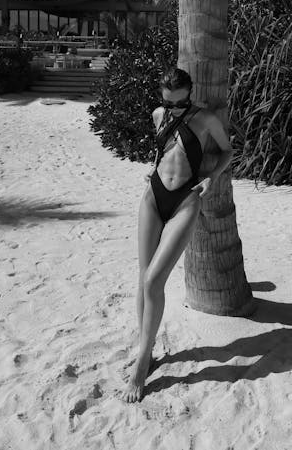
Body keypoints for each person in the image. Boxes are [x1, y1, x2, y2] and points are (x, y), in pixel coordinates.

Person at [121, 66, 233, 402]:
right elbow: (163, 150)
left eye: (178, 104)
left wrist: (212, 177)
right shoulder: (158, 114)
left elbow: (227, 150)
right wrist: (152, 169)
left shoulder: (207, 118)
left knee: (154, 280)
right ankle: (147, 349)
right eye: (168, 103)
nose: (172, 110)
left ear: (190, 95)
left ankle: (142, 363)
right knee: (143, 277)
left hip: (186, 198)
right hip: (153, 197)